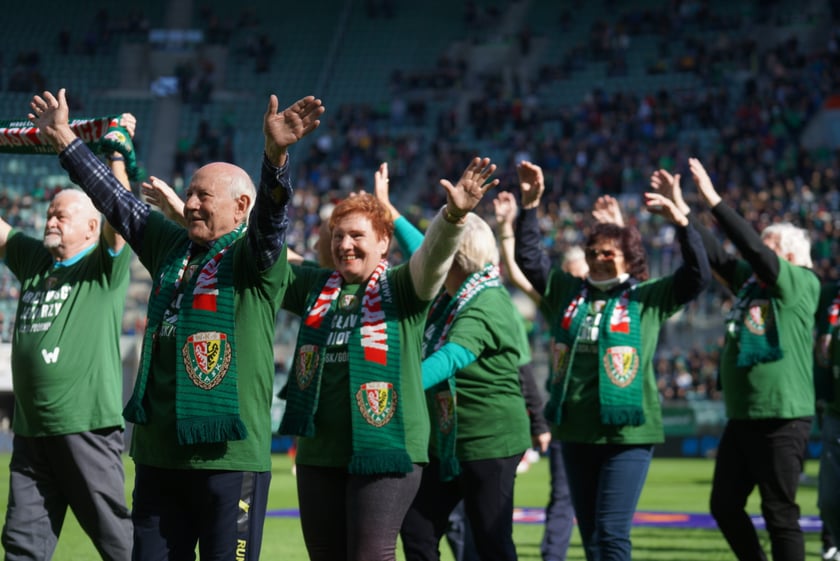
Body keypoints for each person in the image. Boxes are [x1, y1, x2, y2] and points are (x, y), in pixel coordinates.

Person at [28, 87, 324, 560]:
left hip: (230, 460)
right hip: (159, 456)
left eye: (203, 197)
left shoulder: (256, 262)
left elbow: (272, 222)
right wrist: (65, 139)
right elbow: (116, 202)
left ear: (240, 207)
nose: (188, 204)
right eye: (188, 194)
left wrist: (275, 156)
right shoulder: (170, 246)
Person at [278, 157, 499, 561]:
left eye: (357, 236)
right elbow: (273, 259)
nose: (345, 245)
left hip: (386, 445)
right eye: (337, 236)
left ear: (383, 241)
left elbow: (433, 259)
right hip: (319, 450)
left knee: (370, 555)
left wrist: (453, 216)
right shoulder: (315, 284)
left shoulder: (403, 287)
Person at [514, 160, 710, 561]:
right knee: (591, 540)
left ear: (628, 258)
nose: (599, 258)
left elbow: (696, 276)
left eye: (609, 252)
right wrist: (530, 206)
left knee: (611, 535)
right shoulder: (568, 291)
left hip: (626, 438)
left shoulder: (647, 296)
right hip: (575, 432)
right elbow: (530, 261)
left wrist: (682, 223)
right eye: (593, 252)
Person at [650, 160, 818, 561]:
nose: (759, 251)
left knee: (779, 514)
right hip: (743, 415)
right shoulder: (750, 284)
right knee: (724, 506)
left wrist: (713, 200)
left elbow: (753, 251)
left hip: (781, 416)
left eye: (771, 246)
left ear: (791, 255)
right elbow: (721, 258)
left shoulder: (800, 282)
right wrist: (683, 216)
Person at [367, 164, 530, 561]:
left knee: (491, 540)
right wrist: (388, 209)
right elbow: (420, 247)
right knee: (418, 528)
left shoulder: (487, 301)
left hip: (489, 440)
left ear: (457, 256)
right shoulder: (455, 293)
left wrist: (398, 384)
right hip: (448, 439)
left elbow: (453, 356)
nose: (432, 250)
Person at [0, 114, 137, 560]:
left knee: (119, 544)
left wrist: (117, 154)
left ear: (92, 229)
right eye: (49, 213)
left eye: (62, 214)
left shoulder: (103, 265)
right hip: (31, 431)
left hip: (86, 428)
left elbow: (122, 210)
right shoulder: (34, 260)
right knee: (21, 547)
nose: (51, 220)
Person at [495, 188, 576, 561]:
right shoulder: (555, 303)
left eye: (581, 275)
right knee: (563, 495)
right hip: (564, 416)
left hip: (599, 415)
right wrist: (505, 229)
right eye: (569, 274)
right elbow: (515, 271)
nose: (574, 282)